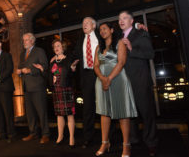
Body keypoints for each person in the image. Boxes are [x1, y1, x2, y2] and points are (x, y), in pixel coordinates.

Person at [94, 22, 137, 157]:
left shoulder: (120, 43)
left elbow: (121, 62)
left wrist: (109, 79)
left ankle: (126, 145)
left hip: (118, 79)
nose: (102, 31)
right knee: (104, 112)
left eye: (105, 28)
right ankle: (105, 142)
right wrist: (102, 78)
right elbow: (95, 65)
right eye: (100, 29)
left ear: (112, 30)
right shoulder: (98, 47)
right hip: (101, 81)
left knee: (122, 112)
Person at [119, 11, 158, 156]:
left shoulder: (141, 33)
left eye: (124, 18)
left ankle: (151, 143)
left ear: (131, 20)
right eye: (119, 19)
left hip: (141, 81)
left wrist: (131, 48)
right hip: (125, 82)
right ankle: (134, 140)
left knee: (147, 113)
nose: (121, 21)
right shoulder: (120, 36)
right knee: (130, 113)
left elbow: (150, 54)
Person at [34, 39, 76, 147]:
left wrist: (72, 69)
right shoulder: (52, 60)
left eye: (58, 46)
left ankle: (72, 137)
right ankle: (60, 136)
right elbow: (49, 75)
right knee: (59, 115)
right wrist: (42, 69)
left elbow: (72, 75)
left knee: (69, 115)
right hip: (56, 90)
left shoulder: (68, 59)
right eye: (54, 47)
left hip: (66, 89)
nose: (56, 48)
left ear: (63, 47)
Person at [17, 33, 50, 144]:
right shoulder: (22, 54)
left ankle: (45, 134)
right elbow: (20, 67)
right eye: (23, 40)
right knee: (30, 113)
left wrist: (31, 70)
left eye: (26, 40)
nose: (24, 42)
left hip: (37, 86)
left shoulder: (39, 51)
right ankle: (33, 133)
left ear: (32, 41)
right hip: (26, 87)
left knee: (41, 112)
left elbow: (44, 66)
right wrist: (19, 71)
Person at [72, 17, 99, 148]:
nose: (84, 25)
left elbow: (115, 36)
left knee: (105, 106)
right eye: (83, 23)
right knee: (87, 108)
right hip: (87, 75)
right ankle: (88, 138)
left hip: (100, 73)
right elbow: (75, 55)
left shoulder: (100, 36)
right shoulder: (80, 40)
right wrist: (73, 62)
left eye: (87, 23)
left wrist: (138, 25)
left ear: (94, 25)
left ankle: (108, 137)